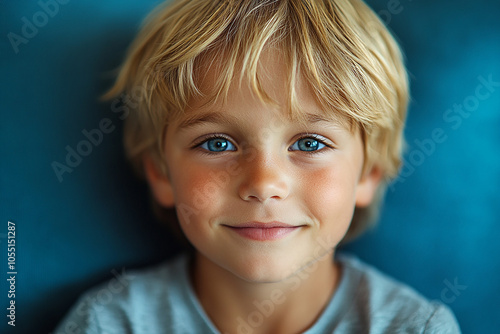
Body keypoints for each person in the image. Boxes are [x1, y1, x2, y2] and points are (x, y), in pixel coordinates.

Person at [55, 0, 461, 333]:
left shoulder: (414, 328)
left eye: (309, 143)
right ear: (161, 173)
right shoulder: (110, 323)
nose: (264, 184)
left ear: (368, 173)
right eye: (217, 143)